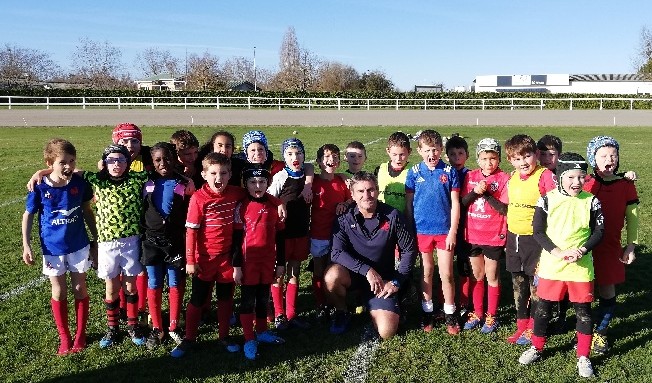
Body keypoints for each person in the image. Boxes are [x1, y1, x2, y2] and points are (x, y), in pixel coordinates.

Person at [171, 153, 284, 358]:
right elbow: (191, 231)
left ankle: (224, 336)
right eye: (213, 173)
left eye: (223, 173)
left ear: (230, 174)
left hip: (227, 258)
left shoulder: (236, 193)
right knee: (197, 298)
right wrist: (190, 260)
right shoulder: (198, 198)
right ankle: (188, 339)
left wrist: (278, 202)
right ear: (204, 174)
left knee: (225, 299)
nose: (218, 178)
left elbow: (259, 192)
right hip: (204, 259)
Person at [518, 153, 604, 379]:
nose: (577, 182)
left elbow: (599, 231)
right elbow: (537, 231)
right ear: (559, 177)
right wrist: (558, 252)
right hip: (551, 266)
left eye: (581, 177)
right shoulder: (546, 199)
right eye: (571, 177)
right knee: (543, 309)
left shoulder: (591, 200)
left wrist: (581, 250)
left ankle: (583, 356)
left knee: (583, 313)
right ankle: (536, 347)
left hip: (581, 267)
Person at [21, 139, 98, 355]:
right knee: (59, 291)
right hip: (52, 248)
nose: (68, 166)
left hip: (79, 245)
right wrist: (26, 245)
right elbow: (28, 215)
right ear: (50, 162)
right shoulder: (39, 187)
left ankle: (81, 335)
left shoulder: (79, 183)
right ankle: (65, 337)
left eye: (72, 161)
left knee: (79, 289)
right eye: (62, 162)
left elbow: (86, 212)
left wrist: (96, 239)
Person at [324, 171, 417, 339]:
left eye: (371, 190)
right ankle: (342, 311)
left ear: (378, 190)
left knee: (387, 331)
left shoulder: (392, 215)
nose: (366, 195)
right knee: (332, 276)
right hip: (354, 276)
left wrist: (397, 280)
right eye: (360, 191)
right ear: (352, 194)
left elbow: (409, 250)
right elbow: (336, 253)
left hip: (383, 280)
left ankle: (397, 295)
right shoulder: (343, 218)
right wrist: (366, 270)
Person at [583, 136, 639, 354]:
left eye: (613, 155)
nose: (610, 159)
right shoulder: (585, 182)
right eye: (603, 155)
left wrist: (631, 245)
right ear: (592, 159)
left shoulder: (626, 185)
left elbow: (633, 217)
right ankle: (582, 328)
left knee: (606, 289)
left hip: (609, 247)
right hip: (584, 246)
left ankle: (601, 331)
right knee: (583, 291)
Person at [405, 129, 461, 335]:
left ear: (441, 150)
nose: (432, 155)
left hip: (444, 232)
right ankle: (427, 311)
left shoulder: (449, 172)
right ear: (419, 151)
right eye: (428, 150)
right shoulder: (413, 173)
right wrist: (411, 230)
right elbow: (409, 205)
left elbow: (455, 204)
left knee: (446, 273)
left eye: (436, 150)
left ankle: (449, 312)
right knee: (426, 271)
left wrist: (452, 231)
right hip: (422, 232)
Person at [504, 134, 557, 345]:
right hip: (513, 236)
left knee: (536, 286)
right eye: (517, 159)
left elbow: (556, 205)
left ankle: (534, 327)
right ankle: (521, 325)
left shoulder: (544, 176)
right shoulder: (513, 177)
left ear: (535, 154)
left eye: (527, 156)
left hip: (535, 239)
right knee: (518, 284)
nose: (523, 162)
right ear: (511, 160)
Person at [141, 143, 194, 349]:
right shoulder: (145, 182)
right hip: (151, 242)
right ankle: (157, 328)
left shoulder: (184, 183)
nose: (164, 163)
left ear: (175, 159)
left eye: (168, 158)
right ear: (152, 163)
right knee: (154, 282)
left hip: (175, 242)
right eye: (158, 160)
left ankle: (173, 326)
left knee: (174, 282)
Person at [233, 166, 287, 360]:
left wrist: (281, 263)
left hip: (268, 262)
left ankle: (262, 331)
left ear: (268, 183)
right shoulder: (242, 207)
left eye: (262, 182)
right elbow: (237, 241)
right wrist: (237, 266)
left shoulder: (274, 207)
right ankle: (249, 338)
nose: (258, 186)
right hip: (248, 264)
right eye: (252, 182)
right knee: (248, 301)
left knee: (264, 298)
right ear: (245, 185)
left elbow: (280, 238)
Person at [460, 138, 509, 334]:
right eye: (484, 158)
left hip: (493, 235)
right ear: (477, 159)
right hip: (473, 234)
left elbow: (504, 209)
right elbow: (463, 202)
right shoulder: (470, 176)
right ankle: (478, 312)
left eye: (493, 158)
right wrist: (474, 191)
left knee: (492, 276)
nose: (488, 163)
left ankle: (492, 315)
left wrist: (487, 193)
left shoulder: (504, 178)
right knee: (476, 276)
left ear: (498, 159)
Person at [267, 137, 312, 330]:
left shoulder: (308, 174)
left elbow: (310, 167)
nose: (295, 157)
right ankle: (279, 314)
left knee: (295, 271)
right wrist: (279, 205)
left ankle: (291, 313)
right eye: (290, 154)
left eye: (299, 153)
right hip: (282, 233)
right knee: (279, 273)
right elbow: (268, 197)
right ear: (284, 157)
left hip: (301, 231)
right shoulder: (281, 176)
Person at [111, 123, 151, 322]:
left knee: (140, 266)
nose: (130, 145)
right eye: (124, 141)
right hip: (119, 227)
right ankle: (122, 307)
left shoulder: (148, 157)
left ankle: (141, 308)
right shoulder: (111, 161)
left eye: (134, 140)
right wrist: (42, 172)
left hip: (145, 223)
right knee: (120, 269)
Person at [310, 144, 351, 318]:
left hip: (337, 235)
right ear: (319, 162)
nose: (331, 160)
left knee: (331, 270)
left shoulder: (342, 182)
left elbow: (352, 198)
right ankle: (321, 304)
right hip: (318, 234)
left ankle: (332, 301)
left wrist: (345, 203)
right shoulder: (313, 182)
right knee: (319, 270)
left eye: (335, 157)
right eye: (327, 157)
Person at [445, 135, 472, 319]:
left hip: (465, 228)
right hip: (444, 227)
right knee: (445, 268)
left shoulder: (470, 176)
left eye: (460, 153)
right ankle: (446, 299)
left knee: (463, 265)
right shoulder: (443, 173)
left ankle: (464, 302)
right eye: (452, 154)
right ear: (447, 156)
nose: (456, 158)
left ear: (467, 155)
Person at [374, 132, 412, 216]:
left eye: (402, 154)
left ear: (409, 151)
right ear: (388, 151)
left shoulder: (413, 171)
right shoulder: (380, 169)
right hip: (382, 218)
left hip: (403, 218)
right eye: (394, 154)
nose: (398, 159)